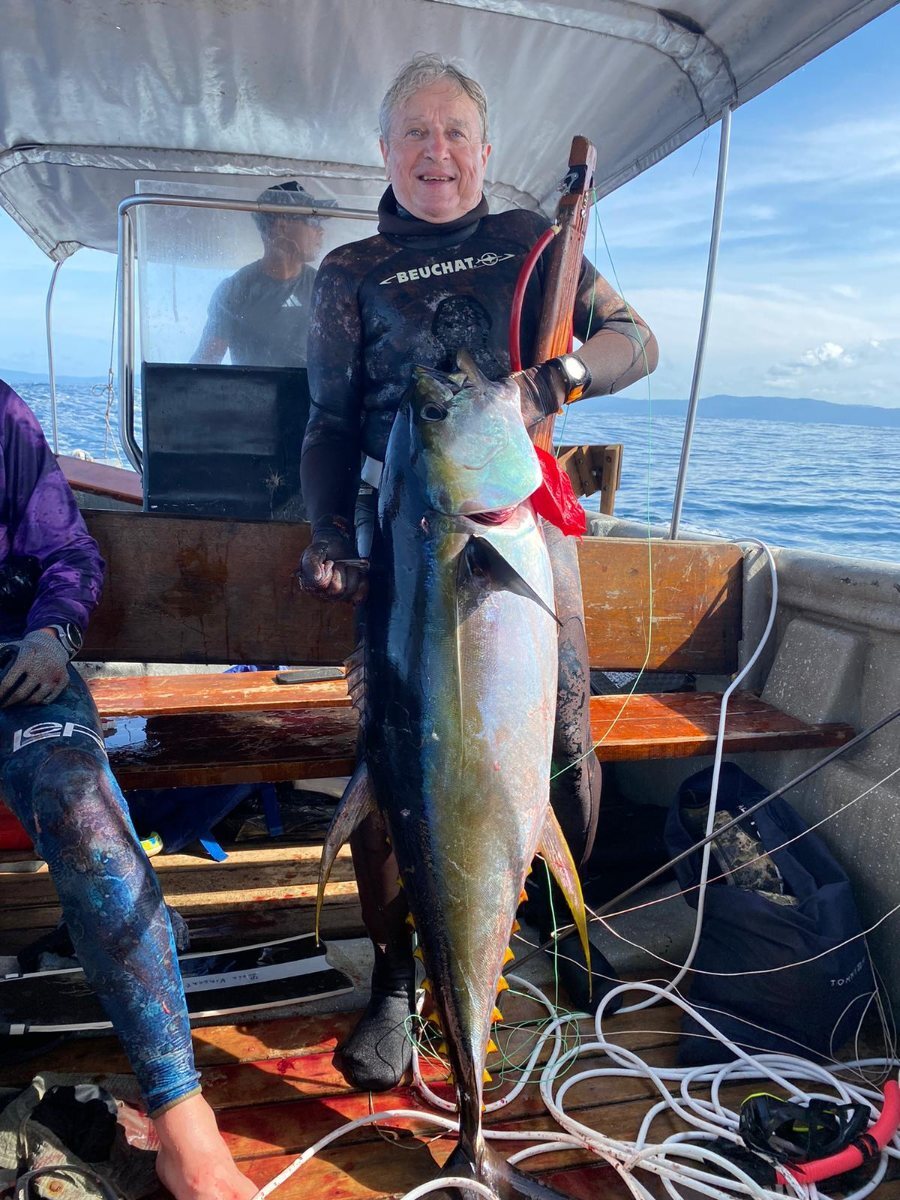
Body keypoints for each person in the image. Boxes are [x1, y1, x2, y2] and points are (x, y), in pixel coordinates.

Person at [298, 53, 658, 1091]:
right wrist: (328, 533)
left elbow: (636, 340)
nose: (436, 152)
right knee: (393, 753)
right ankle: (394, 978)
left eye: (454, 131)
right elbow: (327, 423)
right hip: (407, 541)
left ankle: (560, 928)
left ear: (485, 151)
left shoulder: (532, 244)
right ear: (385, 151)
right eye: (415, 132)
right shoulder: (351, 272)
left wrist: (557, 379)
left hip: (523, 524)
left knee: (565, 738)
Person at [0, 379, 256, 1200]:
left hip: (14, 665)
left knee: (81, 802)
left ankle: (184, 1123)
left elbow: (67, 552)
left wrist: (52, 633)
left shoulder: (1, 416)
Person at [191, 180, 328, 368]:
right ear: (281, 227)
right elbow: (205, 362)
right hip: (253, 389)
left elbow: (340, 358)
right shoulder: (234, 290)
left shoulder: (325, 287)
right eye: (313, 221)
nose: (321, 230)